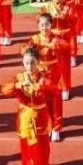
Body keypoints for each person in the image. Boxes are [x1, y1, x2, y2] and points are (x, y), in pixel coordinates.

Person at [1, 46, 57, 165]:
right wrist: (18, 85)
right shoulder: (19, 77)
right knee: (27, 151)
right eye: (26, 63)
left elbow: (53, 91)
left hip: (40, 117)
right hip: (25, 118)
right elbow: (4, 90)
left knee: (41, 151)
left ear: (38, 62)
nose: (29, 66)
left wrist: (39, 86)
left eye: (32, 63)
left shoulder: (43, 77)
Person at [26, 12, 70, 140]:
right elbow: (23, 49)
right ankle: (47, 125)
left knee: (55, 101)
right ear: (38, 26)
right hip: (40, 73)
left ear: (51, 25)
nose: (44, 27)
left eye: (47, 24)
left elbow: (67, 47)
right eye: (41, 25)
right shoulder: (34, 39)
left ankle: (56, 128)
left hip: (54, 72)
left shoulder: (55, 37)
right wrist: (30, 49)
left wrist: (55, 45)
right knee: (42, 101)